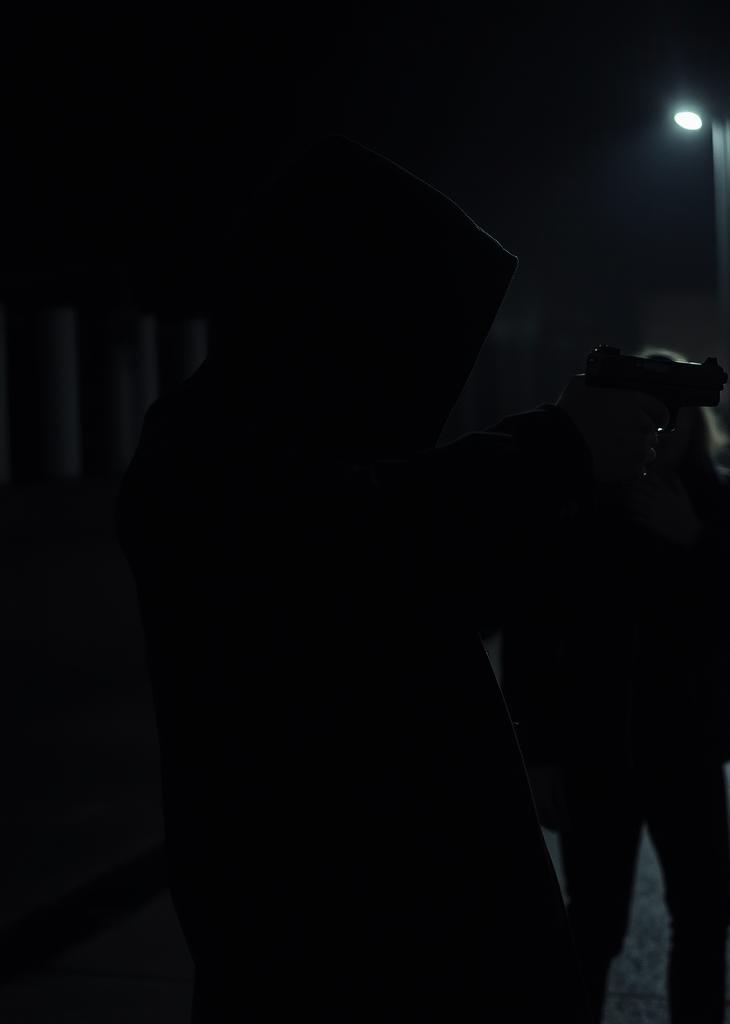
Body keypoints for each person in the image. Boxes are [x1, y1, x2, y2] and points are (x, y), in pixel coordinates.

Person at [115, 135, 670, 1022]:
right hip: (343, 965)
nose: (424, 379)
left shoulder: (278, 446)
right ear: (336, 316)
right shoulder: (207, 457)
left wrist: (573, 481)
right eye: (405, 334)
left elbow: (431, 570)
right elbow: (352, 547)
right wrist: (559, 448)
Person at [501, 347, 730, 1024]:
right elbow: (533, 630)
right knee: (591, 930)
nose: (660, 432)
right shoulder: (577, 505)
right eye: (645, 417)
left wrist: (693, 537)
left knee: (703, 917)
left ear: (697, 424)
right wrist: (537, 752)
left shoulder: (723, 501)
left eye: (674, 417)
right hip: (593, 752)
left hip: (689, 749)